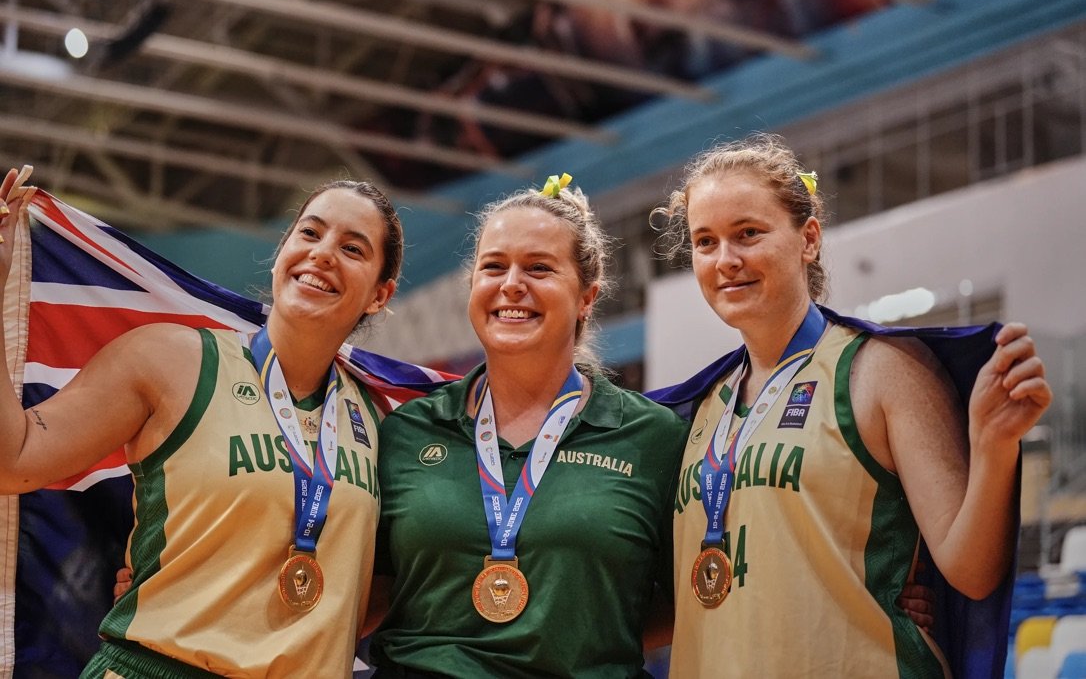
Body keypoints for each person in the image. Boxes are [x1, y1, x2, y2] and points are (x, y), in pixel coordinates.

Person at [649, 134, 1052, 677]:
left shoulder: (882, 369)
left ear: (808, 238)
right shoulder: (699, 409)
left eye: (748, 233)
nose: (727, 260)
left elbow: (970, 571)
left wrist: (994, 446)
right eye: (705, 241)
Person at [0, 169, 402, 677]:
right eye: (310, 232)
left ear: (380, 295)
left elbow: (382, 585)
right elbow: (14, 461)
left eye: (353, 248)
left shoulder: (384, 421)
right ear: (282, 250)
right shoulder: (168, 359)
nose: (323, 252)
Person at [369, 175, 689, 677]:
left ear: (587, 296)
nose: (512, 284)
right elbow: (375, 593)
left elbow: (682, 601)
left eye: (539, 268)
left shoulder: (655, 439)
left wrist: (583, 641)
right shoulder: (408, 431)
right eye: (493, 266)